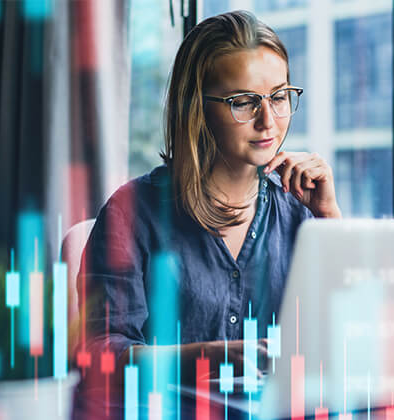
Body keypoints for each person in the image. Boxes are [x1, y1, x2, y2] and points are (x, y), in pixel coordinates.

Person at [76, 10, 341, 393]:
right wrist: (207, 358)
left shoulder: (301, 209)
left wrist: (329, 217)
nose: (268, 120)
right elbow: (98, 357)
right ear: (196, 107)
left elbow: (354, 338)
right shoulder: (131, 212)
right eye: (243, 101)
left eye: (280, 97)